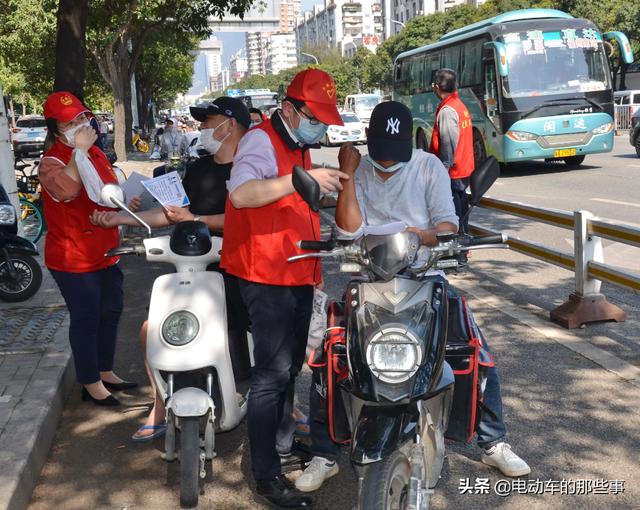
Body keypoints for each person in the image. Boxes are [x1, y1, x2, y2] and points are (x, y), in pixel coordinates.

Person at [295, 101, 531, 494]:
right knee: (329, 357)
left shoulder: (428, 166)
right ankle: (325, 453)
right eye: (381, 151)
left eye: (396, 151)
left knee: (475, 349)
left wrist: (420, 235)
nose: (388, 162)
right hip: (370, 280)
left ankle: (494, 441)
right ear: (368, 141)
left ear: (409, 142)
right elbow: (350, 232)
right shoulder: (360, 171)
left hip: (425, 276)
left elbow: (446, 222)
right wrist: (350, 176)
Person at [221, 68, 349, 510]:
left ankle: (280, 442)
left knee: (291, 368)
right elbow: (242, 195)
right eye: (315, 118)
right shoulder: (259, 141)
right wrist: (298, 181)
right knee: (271, 377)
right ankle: (267, 477)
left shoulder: (299, 145)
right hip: (264, 274)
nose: (321, 128)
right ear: (291, 110)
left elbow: (297, 201)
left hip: (296, 270)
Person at [91, 97, 252, 440]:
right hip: (192, 268)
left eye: (209, 121)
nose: (204, 129)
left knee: (267, 333)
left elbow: (250, 217)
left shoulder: (252, 169)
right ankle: (160, 405)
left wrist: (195, 218)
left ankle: (288, 409)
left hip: (241, 267)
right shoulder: (199, 170)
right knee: (151, 329)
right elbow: (171, 212)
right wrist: (121, 217)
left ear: (231, 124)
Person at [38, 91, 137, 407]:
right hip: (73, 258)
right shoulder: (52, 162)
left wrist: (126, 203)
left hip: (105, 251)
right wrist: (77, 152)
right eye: (71, 122)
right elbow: (66, 190)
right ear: (56, 130)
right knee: (87, 317)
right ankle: (90, 382)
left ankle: (105, 370)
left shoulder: (94, 153)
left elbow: (107, 192)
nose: (81, 125)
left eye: (82, 117)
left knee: (111, 311)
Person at [429, 69, 475, 241]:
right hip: (463, 168)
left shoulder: (448, 110)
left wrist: (442, 171)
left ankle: (458, 250)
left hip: (453, 172)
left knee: (454, 215)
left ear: (436, 87)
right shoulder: (459, 106)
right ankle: (462, 247)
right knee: (461, 211)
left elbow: (448, 145)